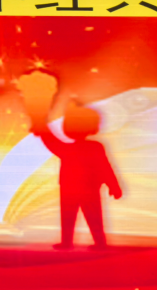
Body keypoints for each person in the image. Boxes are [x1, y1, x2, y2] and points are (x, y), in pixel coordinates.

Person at [33, 101, 122, 250]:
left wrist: (42, 128)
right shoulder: (94, 147)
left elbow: (52, 143)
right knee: (90, 216)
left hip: (73, 187)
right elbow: (105, 168)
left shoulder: (70, 148)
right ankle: (96, 243)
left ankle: (71, 243)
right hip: (86, 187)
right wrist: (114, 186)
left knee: (72, 216)